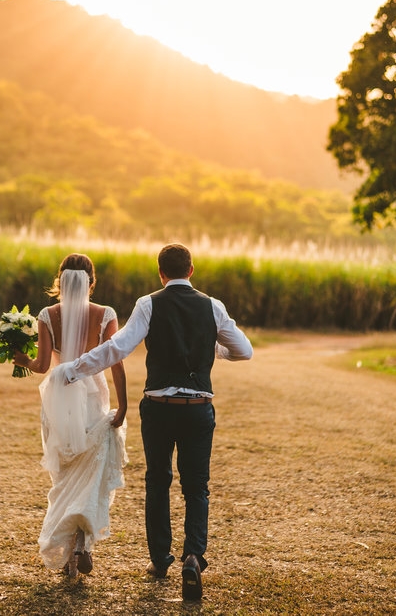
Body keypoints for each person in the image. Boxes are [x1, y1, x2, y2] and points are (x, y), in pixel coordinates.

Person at [54, 243, 253, 601]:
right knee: (197, 487)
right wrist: (214, 347)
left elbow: (117, 348)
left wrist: (73, 369)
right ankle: (193, 556)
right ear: (191, 270)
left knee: (158, 482)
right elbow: (244, 350)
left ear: (160, 273)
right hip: (197, 406)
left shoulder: (148, 304)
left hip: (159, 407)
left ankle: (160, 560)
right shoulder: (213, 306)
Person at [12, 253, 128, 578]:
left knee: (64, 470)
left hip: (59, 391)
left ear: (60, 281)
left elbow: (43, 365)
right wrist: (125, 403)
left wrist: (22, 360)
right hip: (93, 391)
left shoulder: (48, 315)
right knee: (91, 467)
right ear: (92, 282)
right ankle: (81, 542)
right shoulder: (106, 315)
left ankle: (68, 557)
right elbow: (115, 360)